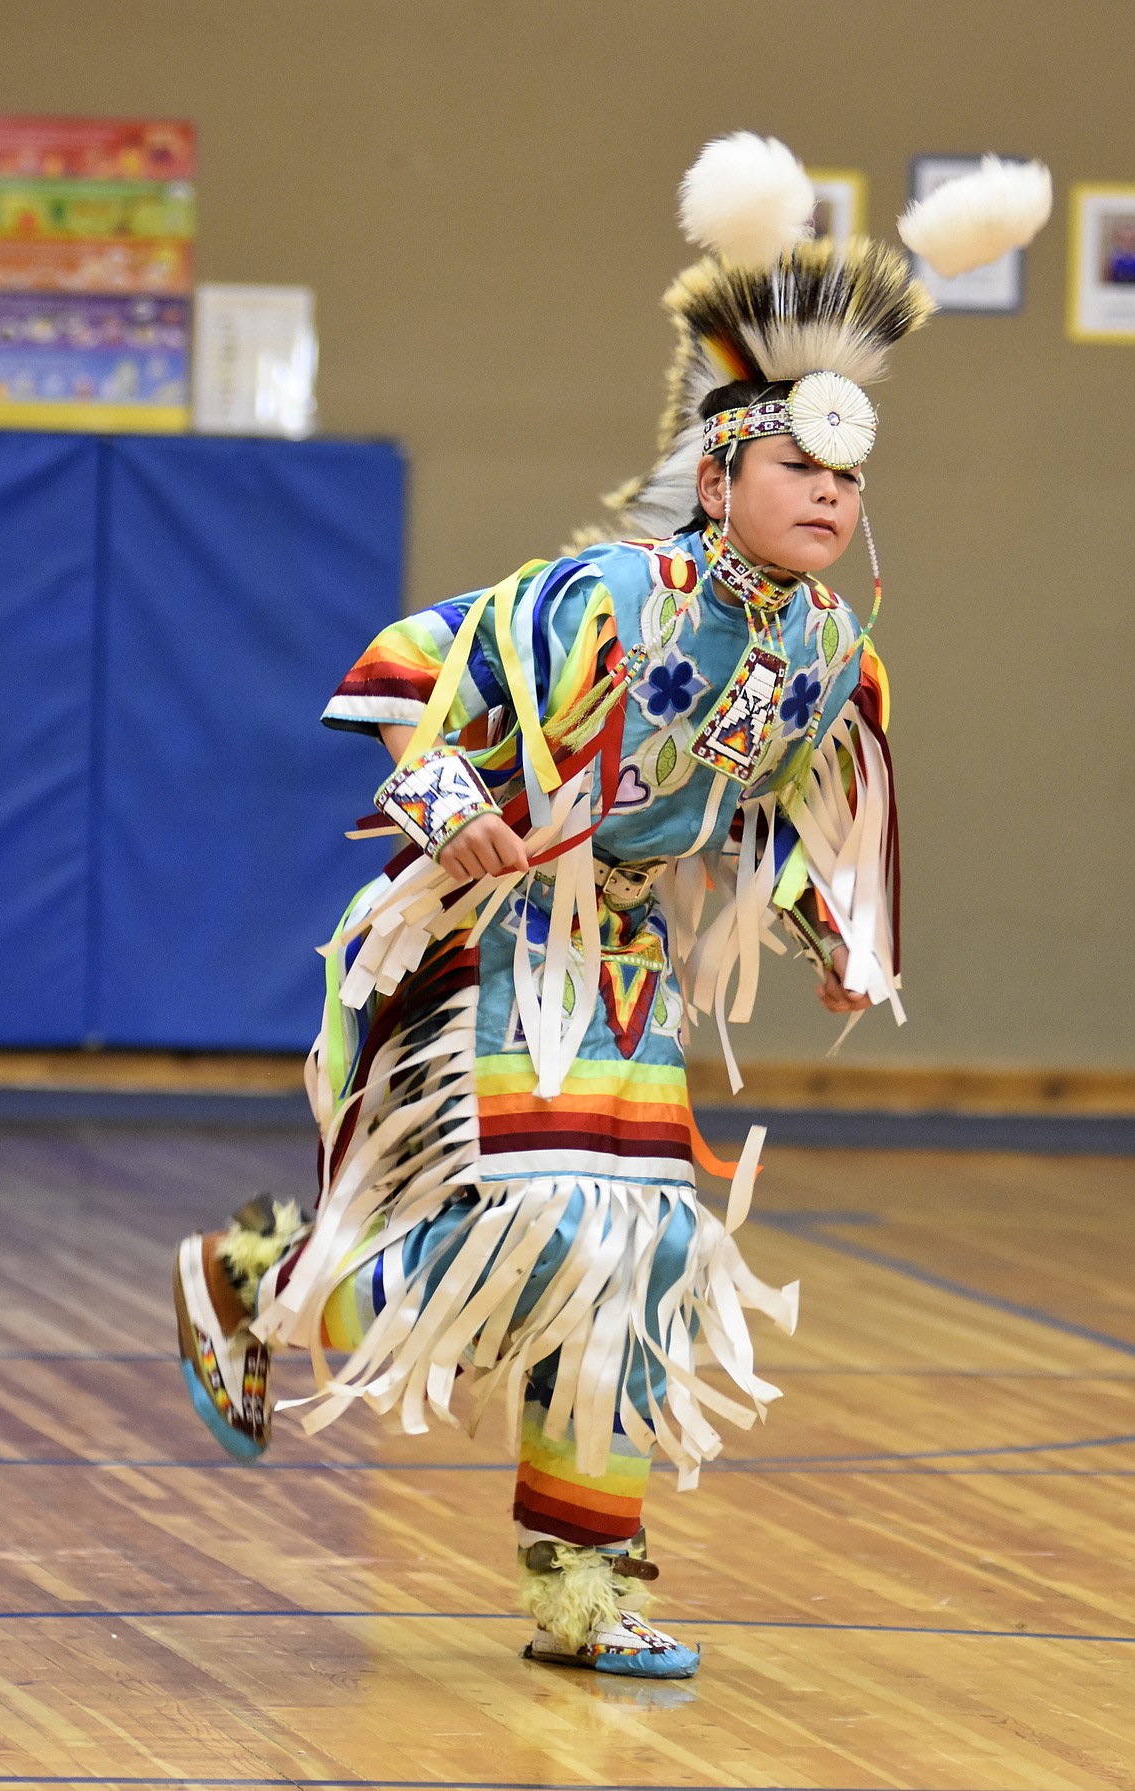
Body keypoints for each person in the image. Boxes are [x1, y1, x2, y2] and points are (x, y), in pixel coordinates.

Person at [174, 133, 1038, 1679]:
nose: (830, 496)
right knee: (536, 1238)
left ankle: (581, 1586)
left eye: (847, 477)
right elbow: (395, 670)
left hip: (623, 952)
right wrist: (466, 818)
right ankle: (264, 1278)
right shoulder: (600, 598)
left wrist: (824, 924)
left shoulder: (833, 648)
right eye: (798, 467)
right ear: (719, 473)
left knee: (634, 1264)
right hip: (492, 938)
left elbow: (796, 801)